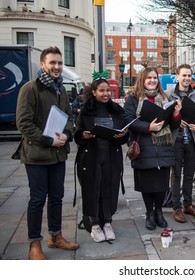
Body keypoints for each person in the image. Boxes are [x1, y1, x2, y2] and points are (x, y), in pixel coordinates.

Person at [14, 46, 79, 260]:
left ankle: (56, 236)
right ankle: (34, 243)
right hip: (37, 155)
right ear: (43, 65)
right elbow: (23, 124)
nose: (57, 67)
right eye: (52, 63)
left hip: (58, 154)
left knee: (57, 197)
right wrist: (50, 140)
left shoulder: (61, 89)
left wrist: (67, 136)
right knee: (37, 199)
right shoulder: (31, 88)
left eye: (60, 63)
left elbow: (69, 117)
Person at [123, 67, 182, 230]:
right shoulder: (133, 98)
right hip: (143, 147)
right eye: (149, 78)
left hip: (163, 147)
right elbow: (128, 120)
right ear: (142, 79)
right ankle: (150, 213)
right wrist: (149, 127)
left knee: (162, 184)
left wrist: (176, 114)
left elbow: (173, 124)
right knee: (146, 184)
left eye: (155, 78)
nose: (152, 81)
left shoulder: (165, 97)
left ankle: (159, 212)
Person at [74, 77, 129, 242]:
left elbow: (125, 131)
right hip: (91, 157)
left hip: (111, 156)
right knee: (93, 189)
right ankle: (95, 224)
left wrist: (122, 135)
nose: (105, 94)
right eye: (101, 91)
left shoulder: (116, 109)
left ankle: (107, 222)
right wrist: (83, 135)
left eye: (108, 91)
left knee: (109, 189)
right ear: (94, 92)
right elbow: (78, 133)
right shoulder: (86, 110)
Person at [166, 64, 195, 223]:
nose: (187, 78)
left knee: (189, 174)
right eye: (184, 75)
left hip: (192, 139)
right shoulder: (169, 95)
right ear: (177, 76)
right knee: (176, 174)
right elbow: (164, 118)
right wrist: (175, 120)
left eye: (189, 75)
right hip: (176, 139)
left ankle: (188, 204)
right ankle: (177, 207)